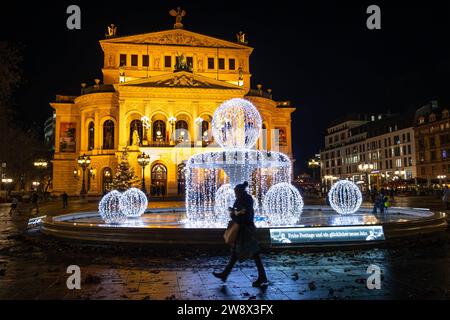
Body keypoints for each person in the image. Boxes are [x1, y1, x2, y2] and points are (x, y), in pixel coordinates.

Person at [212, 181, 268, 287]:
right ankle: (225, 274)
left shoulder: (241, 201)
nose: (234, 194)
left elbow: (242, 217)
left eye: (235, 192)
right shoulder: (248, 199)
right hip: (247, 228)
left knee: (254, 253)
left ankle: (262, 277)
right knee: (236, 253)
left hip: (245, 230)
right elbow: (246, 214)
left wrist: (232, 214)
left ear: (239, 192)